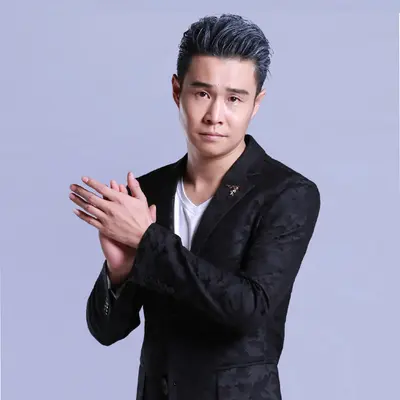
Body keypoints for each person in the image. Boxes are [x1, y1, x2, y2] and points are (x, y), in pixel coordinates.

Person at [69, 13, 321, 400]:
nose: (215, 116)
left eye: (234, 98)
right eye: (202, 93)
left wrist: (148, 241)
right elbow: (106, 331)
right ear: (177, 91)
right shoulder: (149, 191)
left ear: (256, 104)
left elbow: (249, 311)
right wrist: (120, 273)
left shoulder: (287, 194)